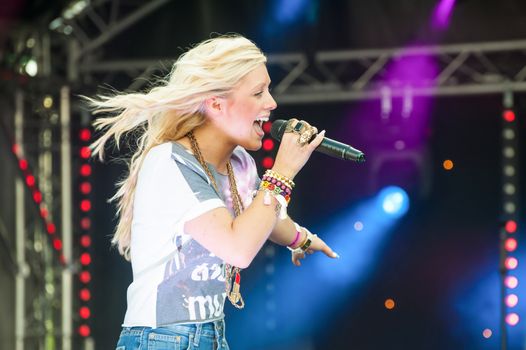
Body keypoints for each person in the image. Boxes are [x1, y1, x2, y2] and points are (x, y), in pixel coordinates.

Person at [87, 34, 338, 350]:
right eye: (259, 92)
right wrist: (283, 171)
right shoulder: (170, 161)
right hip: (162, 340)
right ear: (216, 104)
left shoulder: (240, 163)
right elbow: (238, 248)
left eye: (269, 90)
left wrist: (301, 239)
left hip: (211, 337)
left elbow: (265, 216)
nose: (272, 103)